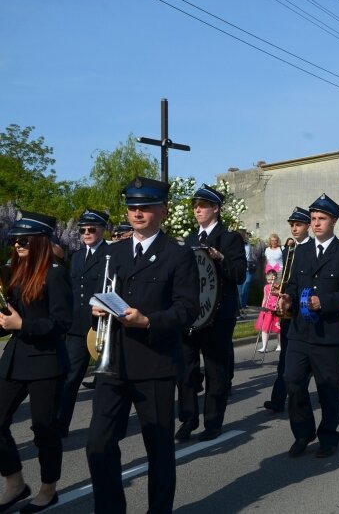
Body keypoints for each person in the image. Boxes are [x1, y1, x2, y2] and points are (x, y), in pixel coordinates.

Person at [86, 177, 200, 514]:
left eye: (145, 207)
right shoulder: (112, 252)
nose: (137, 213)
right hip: (114, 363)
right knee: (98, 445)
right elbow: (97, 296)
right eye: (132, 207)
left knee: (159, 448)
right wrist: (94, 308)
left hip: (155, 362)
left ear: (162, 211)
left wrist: (148, 321)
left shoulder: (178, 254)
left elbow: (187, 310)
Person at [0, 211, 72, 514]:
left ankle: (48, 489)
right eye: (14, 240)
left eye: (23, 240)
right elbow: (12, 319)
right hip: (16, 358)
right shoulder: (16, 273)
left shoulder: (54, 273)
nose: (17, 245)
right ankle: (15, 483)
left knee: (44, 429)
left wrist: (21, 326)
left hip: (45, 361)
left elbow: (61, 322)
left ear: (40, 241)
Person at [277, 194, 339, 458]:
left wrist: (322, 301)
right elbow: (292, 284)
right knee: (292, 379)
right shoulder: (300, 252)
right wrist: (288, 297)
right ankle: (303, 433)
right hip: (300, 331)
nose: (316, 224)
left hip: (329, 334)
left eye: (322, 218)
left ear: (333, 220)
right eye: (313, 219)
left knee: (329, 388)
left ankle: (328, 436)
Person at [175, 184, 246, 443]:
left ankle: (213, 422)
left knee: (216, 370)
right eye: (195, 206)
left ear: (215, 209)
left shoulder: (230, 239)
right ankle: (188, 418)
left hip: (218, 314)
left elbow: (239, 275)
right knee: (185, 369)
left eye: (202, 206)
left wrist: (221, 258)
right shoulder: (191, 240)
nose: (197, 210)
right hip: (193, 315)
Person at [56, 209, 110, 438]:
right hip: (78, 326)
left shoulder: (112, 253)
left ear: (102, 229)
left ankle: (104, 425)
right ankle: (60, 424)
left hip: (103, 325)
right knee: (70, 376)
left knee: (106, 380)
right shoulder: (77, 255)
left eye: (92, 229)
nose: (86, 233)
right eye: (82, 230)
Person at [263, 207, 312, 414]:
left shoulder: (312, 248)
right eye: (291, 225)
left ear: (307, 226)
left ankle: (297, 394)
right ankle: (278, 398)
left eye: (298, 224)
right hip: (288, 308)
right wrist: (279, 289)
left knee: (304, 359)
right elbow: (288, 277)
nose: (294, 228)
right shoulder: (288, 250)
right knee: (285, 357)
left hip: (305, 309)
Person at [254, 264, 281, 353]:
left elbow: (281, 297)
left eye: (272, 279)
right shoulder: (266, 287)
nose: (270, 282)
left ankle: (280, 344)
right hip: (267, 309)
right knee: (264, 328)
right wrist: (262, 307)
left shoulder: (279, 287)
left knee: (278, 328)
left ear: (276, 278)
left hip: (276, 309)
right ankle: (264, 346)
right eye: (268, 280)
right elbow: (265, 298)